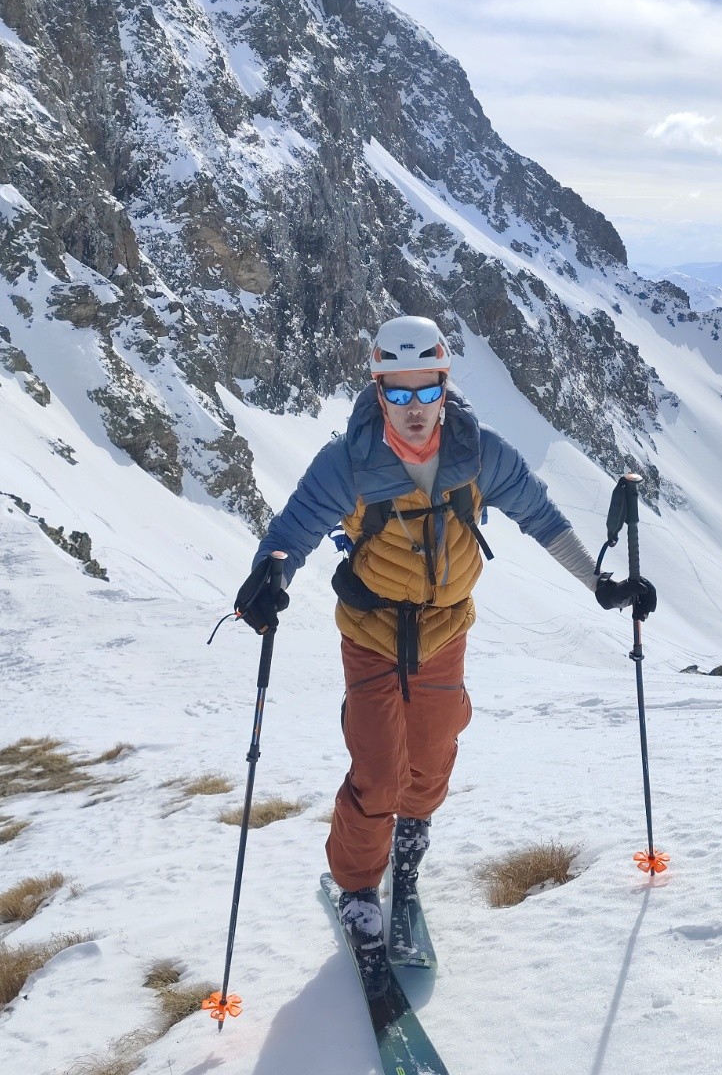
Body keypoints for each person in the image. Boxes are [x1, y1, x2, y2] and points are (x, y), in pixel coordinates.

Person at [233, 315, 657, 993]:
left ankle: (411, 838)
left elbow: (542, 518)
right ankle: (357, 890)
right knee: (378, 767)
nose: (411, 410)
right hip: (371, 633)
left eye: (423, 390)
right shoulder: (350, 462)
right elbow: (293, 531)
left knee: (431, 759)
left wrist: (599, 583)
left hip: (446, 631)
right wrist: (269, 577)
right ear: (377, 389)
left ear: (442, 383)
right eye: (395, 393)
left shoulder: (477, 454)